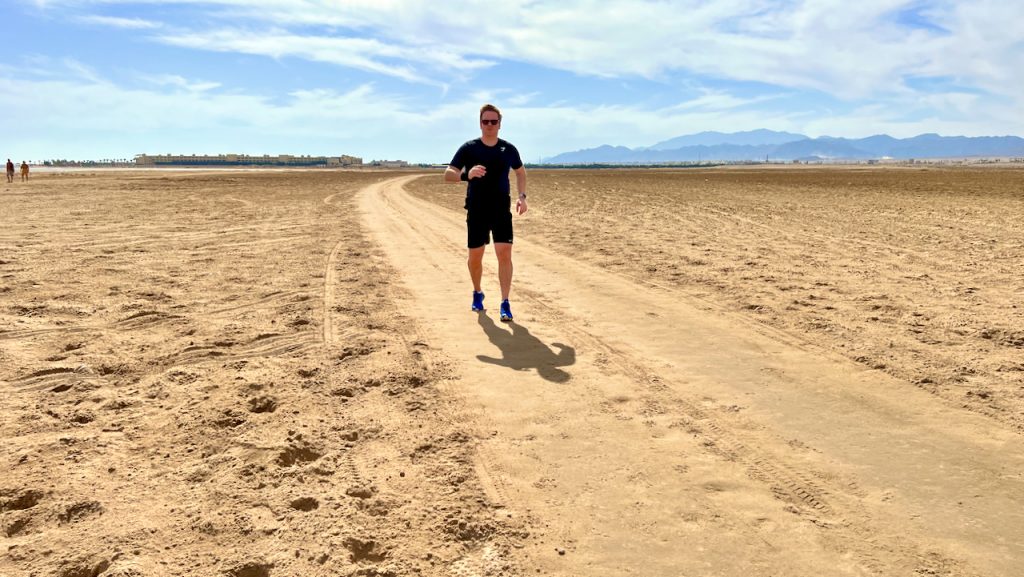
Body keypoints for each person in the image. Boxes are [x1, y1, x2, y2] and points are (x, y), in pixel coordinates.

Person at [444, 104, 528, 322]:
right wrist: (466, 175)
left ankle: (505, 302)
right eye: (485, 121)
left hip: (501, 209)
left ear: (500, 124)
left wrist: (522, 197)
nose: (489, 125)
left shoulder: (508, 149)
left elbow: (520, 173)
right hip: (477, 209)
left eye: (493, 121)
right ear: (480, 123)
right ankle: (477, 292)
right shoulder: (469, 148)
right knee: (475, 256)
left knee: (504, 253)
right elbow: (448, 174)